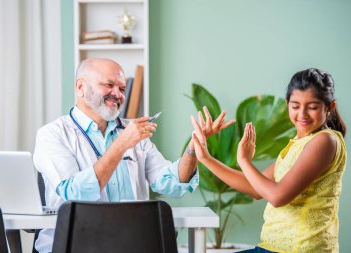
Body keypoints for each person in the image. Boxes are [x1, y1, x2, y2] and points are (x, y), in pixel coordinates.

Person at [33, 58, 234, 252]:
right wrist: (121, 145)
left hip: (131, 243)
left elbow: (171, 184)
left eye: (122, 88)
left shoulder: (133, 132)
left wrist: (193, 148)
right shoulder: (52, 135)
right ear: (80, 87)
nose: (118, 94)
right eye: (109, 85)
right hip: (75, 244)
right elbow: (73, 195)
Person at [191, 68, 347, 253]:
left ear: (329, 107)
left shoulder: (325, 141)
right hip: (272, 247)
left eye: (312, 107)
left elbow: (277, 196)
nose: (302, 114)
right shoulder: (298, 144)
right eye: (295, 106)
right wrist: (206, 159)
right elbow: (255, 190)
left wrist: (244, 160)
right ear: (287, 104)